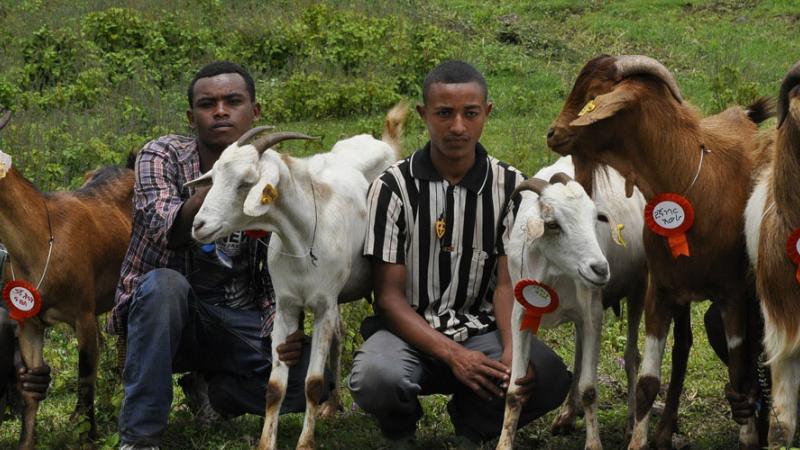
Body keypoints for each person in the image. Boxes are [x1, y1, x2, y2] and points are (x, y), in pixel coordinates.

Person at [348, 60, 572, 448]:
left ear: (486, 113)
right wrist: (453, 355)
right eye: (444, 114)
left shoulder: (511, 186)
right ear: (423, 115)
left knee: (547, 375)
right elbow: (388, 298)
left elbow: (506, 283)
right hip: (408, 332)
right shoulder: (392, 187)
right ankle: (400, 428)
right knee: (376, 377)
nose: (457, 127)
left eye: (470, 114)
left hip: (481, 330)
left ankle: (472, 426)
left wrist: (509, 350)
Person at [108, 61, 330, 450]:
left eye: (233, 101)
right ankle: (140, 438)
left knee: (314, 378)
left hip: (238, 320)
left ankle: (216, 392)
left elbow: (291, 257)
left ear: (255, 112)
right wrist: (224, 183)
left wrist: (285, 324)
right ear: (192, 118)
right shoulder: (160, 156)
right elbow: (171, 233)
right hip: (167, 318)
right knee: (165, 287)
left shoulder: (273, 172)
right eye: (208, 104)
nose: (221, 111)